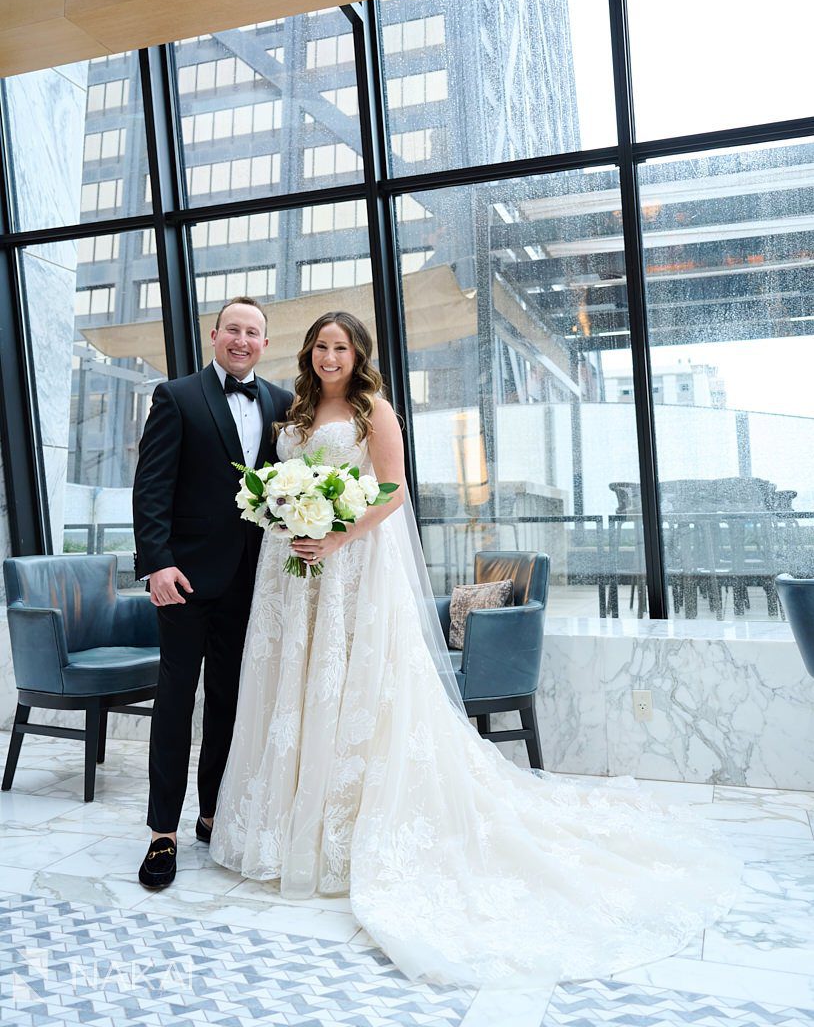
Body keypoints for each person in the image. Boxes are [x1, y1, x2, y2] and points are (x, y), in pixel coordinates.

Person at [210, 310, 741, 989]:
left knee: (354, 690)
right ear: (309, 353)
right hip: (293, 575)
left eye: (341, 346)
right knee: (296, 687)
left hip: (350, 569)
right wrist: (285, 514)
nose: (330, 356)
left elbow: (393, 490)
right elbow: (281, 484)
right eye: (320, 346)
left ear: (358, 353)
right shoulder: (295, 414)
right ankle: (285, 832)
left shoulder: (376, 410)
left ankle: (342, 836)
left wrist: (336, 535)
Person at [132, 296, 292, 890]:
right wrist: (157, 565)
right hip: (186, 581)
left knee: (230, 701)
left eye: (253, 332)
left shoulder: (280, 403)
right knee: (175, 703)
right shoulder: (176, 397)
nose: (242, 340)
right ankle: (161, 834)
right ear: (214, 334)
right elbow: (151, 488)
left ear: (265, 343)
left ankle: (210, 814)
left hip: (254, 582)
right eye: (233, 329)